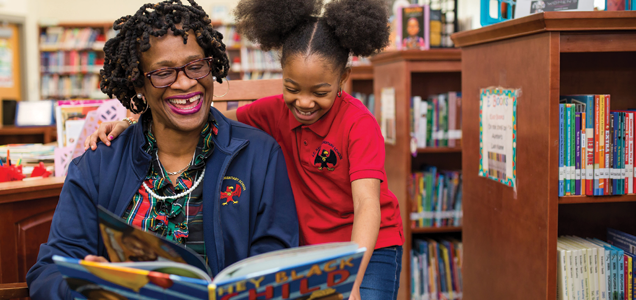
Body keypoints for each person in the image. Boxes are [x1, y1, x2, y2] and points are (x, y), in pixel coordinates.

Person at [85, 0, 404, 298]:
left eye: (320, 92)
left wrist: (353, 281)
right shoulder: (273, 111)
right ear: (282, 73)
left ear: (344, 79)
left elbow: (367, 205)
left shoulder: (359, 124)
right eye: (292, 88)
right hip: (309, 247)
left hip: (367, 248)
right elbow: (203, 118)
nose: (304, 103)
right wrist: (132, 122)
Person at [26, 1, 299, 299]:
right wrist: (89, 287)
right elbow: (49, 271)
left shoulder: (260, 156)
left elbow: (277, 265)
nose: (185, 84)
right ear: (138, 84)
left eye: (196, 66)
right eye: (163, 73)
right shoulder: (97, 164)